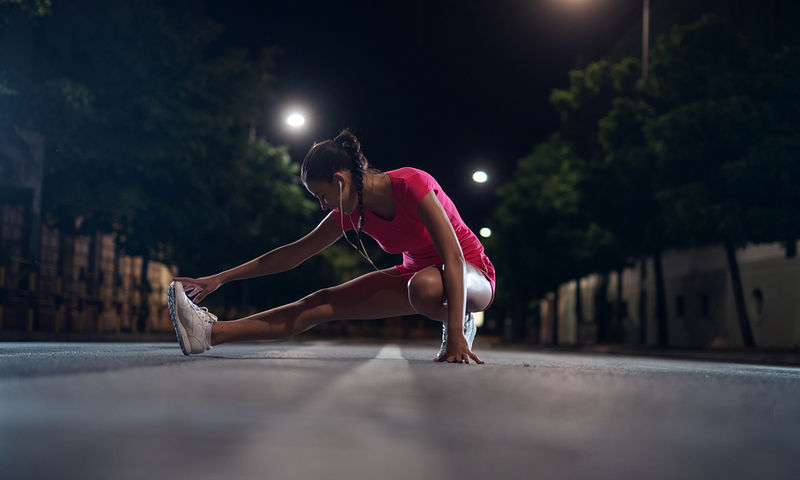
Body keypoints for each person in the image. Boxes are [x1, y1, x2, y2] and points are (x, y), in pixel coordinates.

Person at [168, 129, 495, 364]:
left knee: (423, 286)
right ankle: (210, 333)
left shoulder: (412, 185)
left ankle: (460, 320)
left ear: (340, 181)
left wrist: (454, 335)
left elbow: (452, 257)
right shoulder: (349, 212)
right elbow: (292, 254)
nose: (324, 206)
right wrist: (219, 278)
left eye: (322, 196)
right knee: (320, 303)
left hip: (471, 273)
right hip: (416, 277)